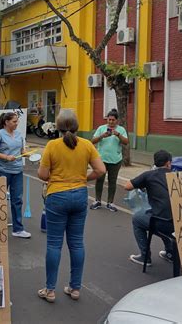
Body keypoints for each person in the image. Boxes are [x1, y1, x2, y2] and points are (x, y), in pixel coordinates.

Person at [37, 109, 105, 303]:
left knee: (53, 244)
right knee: (76, 242)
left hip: (56, 196)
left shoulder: (52, 145)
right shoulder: (86, 145)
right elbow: (101, 170)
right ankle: (75, 288)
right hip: (80, 195)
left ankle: (50, 290)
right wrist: (83, 178)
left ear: (57, 126)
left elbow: (42, 174)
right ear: (76, 126)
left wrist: (56, 179)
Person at [125, 150, 175, 266]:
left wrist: (144, 184)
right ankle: (170, 253)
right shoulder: (176, 176)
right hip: (177, 223)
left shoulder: (149, 175)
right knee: (164, 216)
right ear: (168, 163)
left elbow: (127, 186)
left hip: (161, 223)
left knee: (137, 219)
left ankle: (145, 256)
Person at [0, 112, 31, 239]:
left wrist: (28, 155)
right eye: (14, 121)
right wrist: (5, 157)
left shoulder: (19, 134)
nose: (17, 124)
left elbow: (22, 151)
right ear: (6, 122)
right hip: (2, 170)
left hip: (18, 170)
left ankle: (18, 229)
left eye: (17, 121)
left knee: (17, 200)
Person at [90, 108, 128, 212]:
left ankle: (110, 202)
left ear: (117, 120)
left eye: (113, 120)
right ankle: (97, 201)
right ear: (107, 119)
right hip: (101, 159)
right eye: (109, 119)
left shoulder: (121, 130)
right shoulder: (101, 128)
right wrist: (102, 136)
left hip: (115, 160)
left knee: (112, 181)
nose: (111, 122)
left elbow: (126, 142)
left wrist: (118, 135)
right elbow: (92, 141)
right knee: (100, 179)